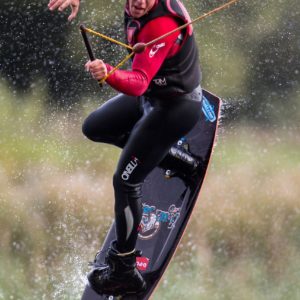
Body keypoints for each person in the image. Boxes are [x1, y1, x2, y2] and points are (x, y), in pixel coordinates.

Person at [48, 0, 202, 296]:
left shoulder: (161, 24)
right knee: (95, 127)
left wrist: (108, 72)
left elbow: (140, 82)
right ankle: (176, 160)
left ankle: (124, 269)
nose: (138, 3)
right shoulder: (135, 4)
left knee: (125, 181)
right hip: (153, 99)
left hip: (174, 107)